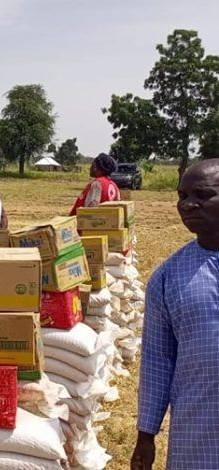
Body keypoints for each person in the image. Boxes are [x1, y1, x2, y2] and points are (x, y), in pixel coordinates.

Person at [131, 159, 219, 470]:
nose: (188, 205)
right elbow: (158, 359)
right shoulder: (168, 277)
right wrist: (146, 435)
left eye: (202, 194)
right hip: (197, 429)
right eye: (182, 196)